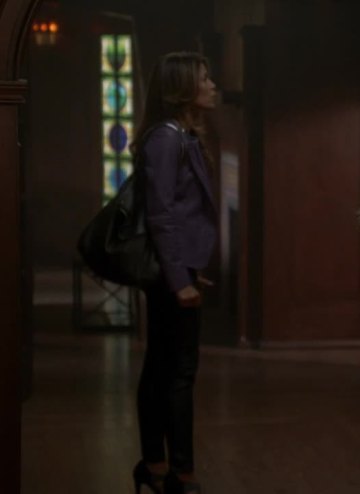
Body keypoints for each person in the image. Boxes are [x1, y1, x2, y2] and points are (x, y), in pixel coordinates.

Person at [130, 52, 218, 494]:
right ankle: (178, 474)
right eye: (205, 78)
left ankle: (156, 466)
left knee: (163, 367)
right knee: (177, 372)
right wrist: (179, 279)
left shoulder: (179, 135)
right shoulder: (166, 139)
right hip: (171, 276)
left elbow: (181, 212)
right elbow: (161, 213)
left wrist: (189, 269)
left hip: (178, 268)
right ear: (184, 88)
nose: (213, 85)